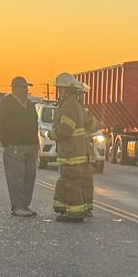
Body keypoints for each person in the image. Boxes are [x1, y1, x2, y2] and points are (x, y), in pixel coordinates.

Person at [48, 73, 100, 221]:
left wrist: (50, 134)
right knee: (69, 180)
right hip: (75, 152)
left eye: (60, 89)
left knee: (72, 182)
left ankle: (75, 214)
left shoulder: (69, 106)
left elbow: (66, 129)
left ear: (67, 90)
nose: (59, 92)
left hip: (71, 153)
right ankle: (65, 207)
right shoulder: (75, 105)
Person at [0, 76, 41, 217]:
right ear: (14, 88)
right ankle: (17, 206)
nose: (26, 90)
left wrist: (36, 144)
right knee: (16, 178)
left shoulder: (30, 105)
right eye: (23, 87)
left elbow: (34, 123)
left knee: (29, 177)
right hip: (14, 147)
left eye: (26, 87)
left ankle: (25, 205)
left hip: (30, 146)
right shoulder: (6, 103)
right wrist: (6, 142)